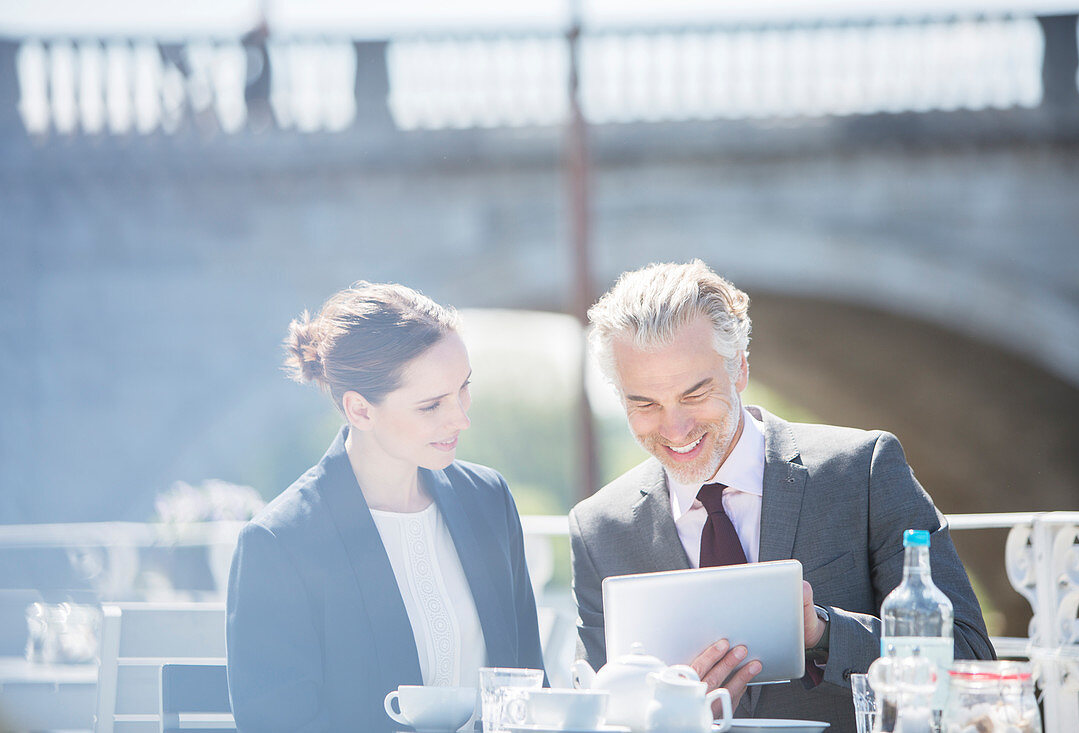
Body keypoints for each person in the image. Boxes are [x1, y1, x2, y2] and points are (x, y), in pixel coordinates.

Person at [569, 260, 994, 732]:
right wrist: (666, 713)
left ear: (740, 370)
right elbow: (595, 710)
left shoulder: (863, 470)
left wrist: (826, 632)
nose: (675, 427)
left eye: (694, 394)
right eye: (644, 403)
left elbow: (970, 656)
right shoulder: (599, 528)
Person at [227, 282, 544, 733]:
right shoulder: (280, 544)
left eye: (463, 389)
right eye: (431, 405)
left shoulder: (488, 500)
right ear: (359, 410)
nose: (460, 418)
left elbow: (530, 687)